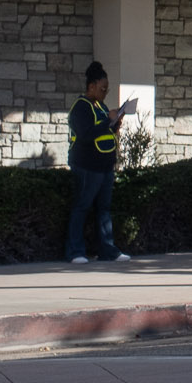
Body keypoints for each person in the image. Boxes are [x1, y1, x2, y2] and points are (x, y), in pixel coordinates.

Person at [66, 61, 130, 265]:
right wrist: (106, 121)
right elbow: (85, 134)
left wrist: (115, 123)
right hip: (87, 166)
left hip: (104, 167)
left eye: (107, 89)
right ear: (91, 86)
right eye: (102, 89)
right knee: (82, 207)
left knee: (104, 209)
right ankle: (75, 251)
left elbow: (104, 131)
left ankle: (108, 250)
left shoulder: (100, 107)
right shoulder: (81, 107)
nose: (105, 93)